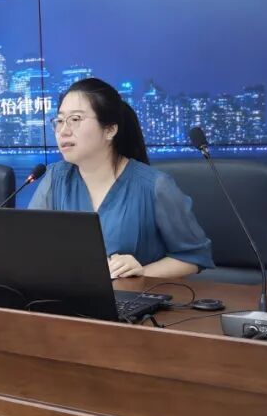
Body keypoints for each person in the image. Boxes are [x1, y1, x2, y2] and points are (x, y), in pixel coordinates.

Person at [28, 77, 214, 279]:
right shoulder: (54, 178)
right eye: (59, 121)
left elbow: (194, 256)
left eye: (75, 119)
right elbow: (29, 246)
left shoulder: (154, 185)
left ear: (110, 129)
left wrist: (142, 273)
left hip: (132, 296)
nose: (63, 131)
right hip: (66, 296)